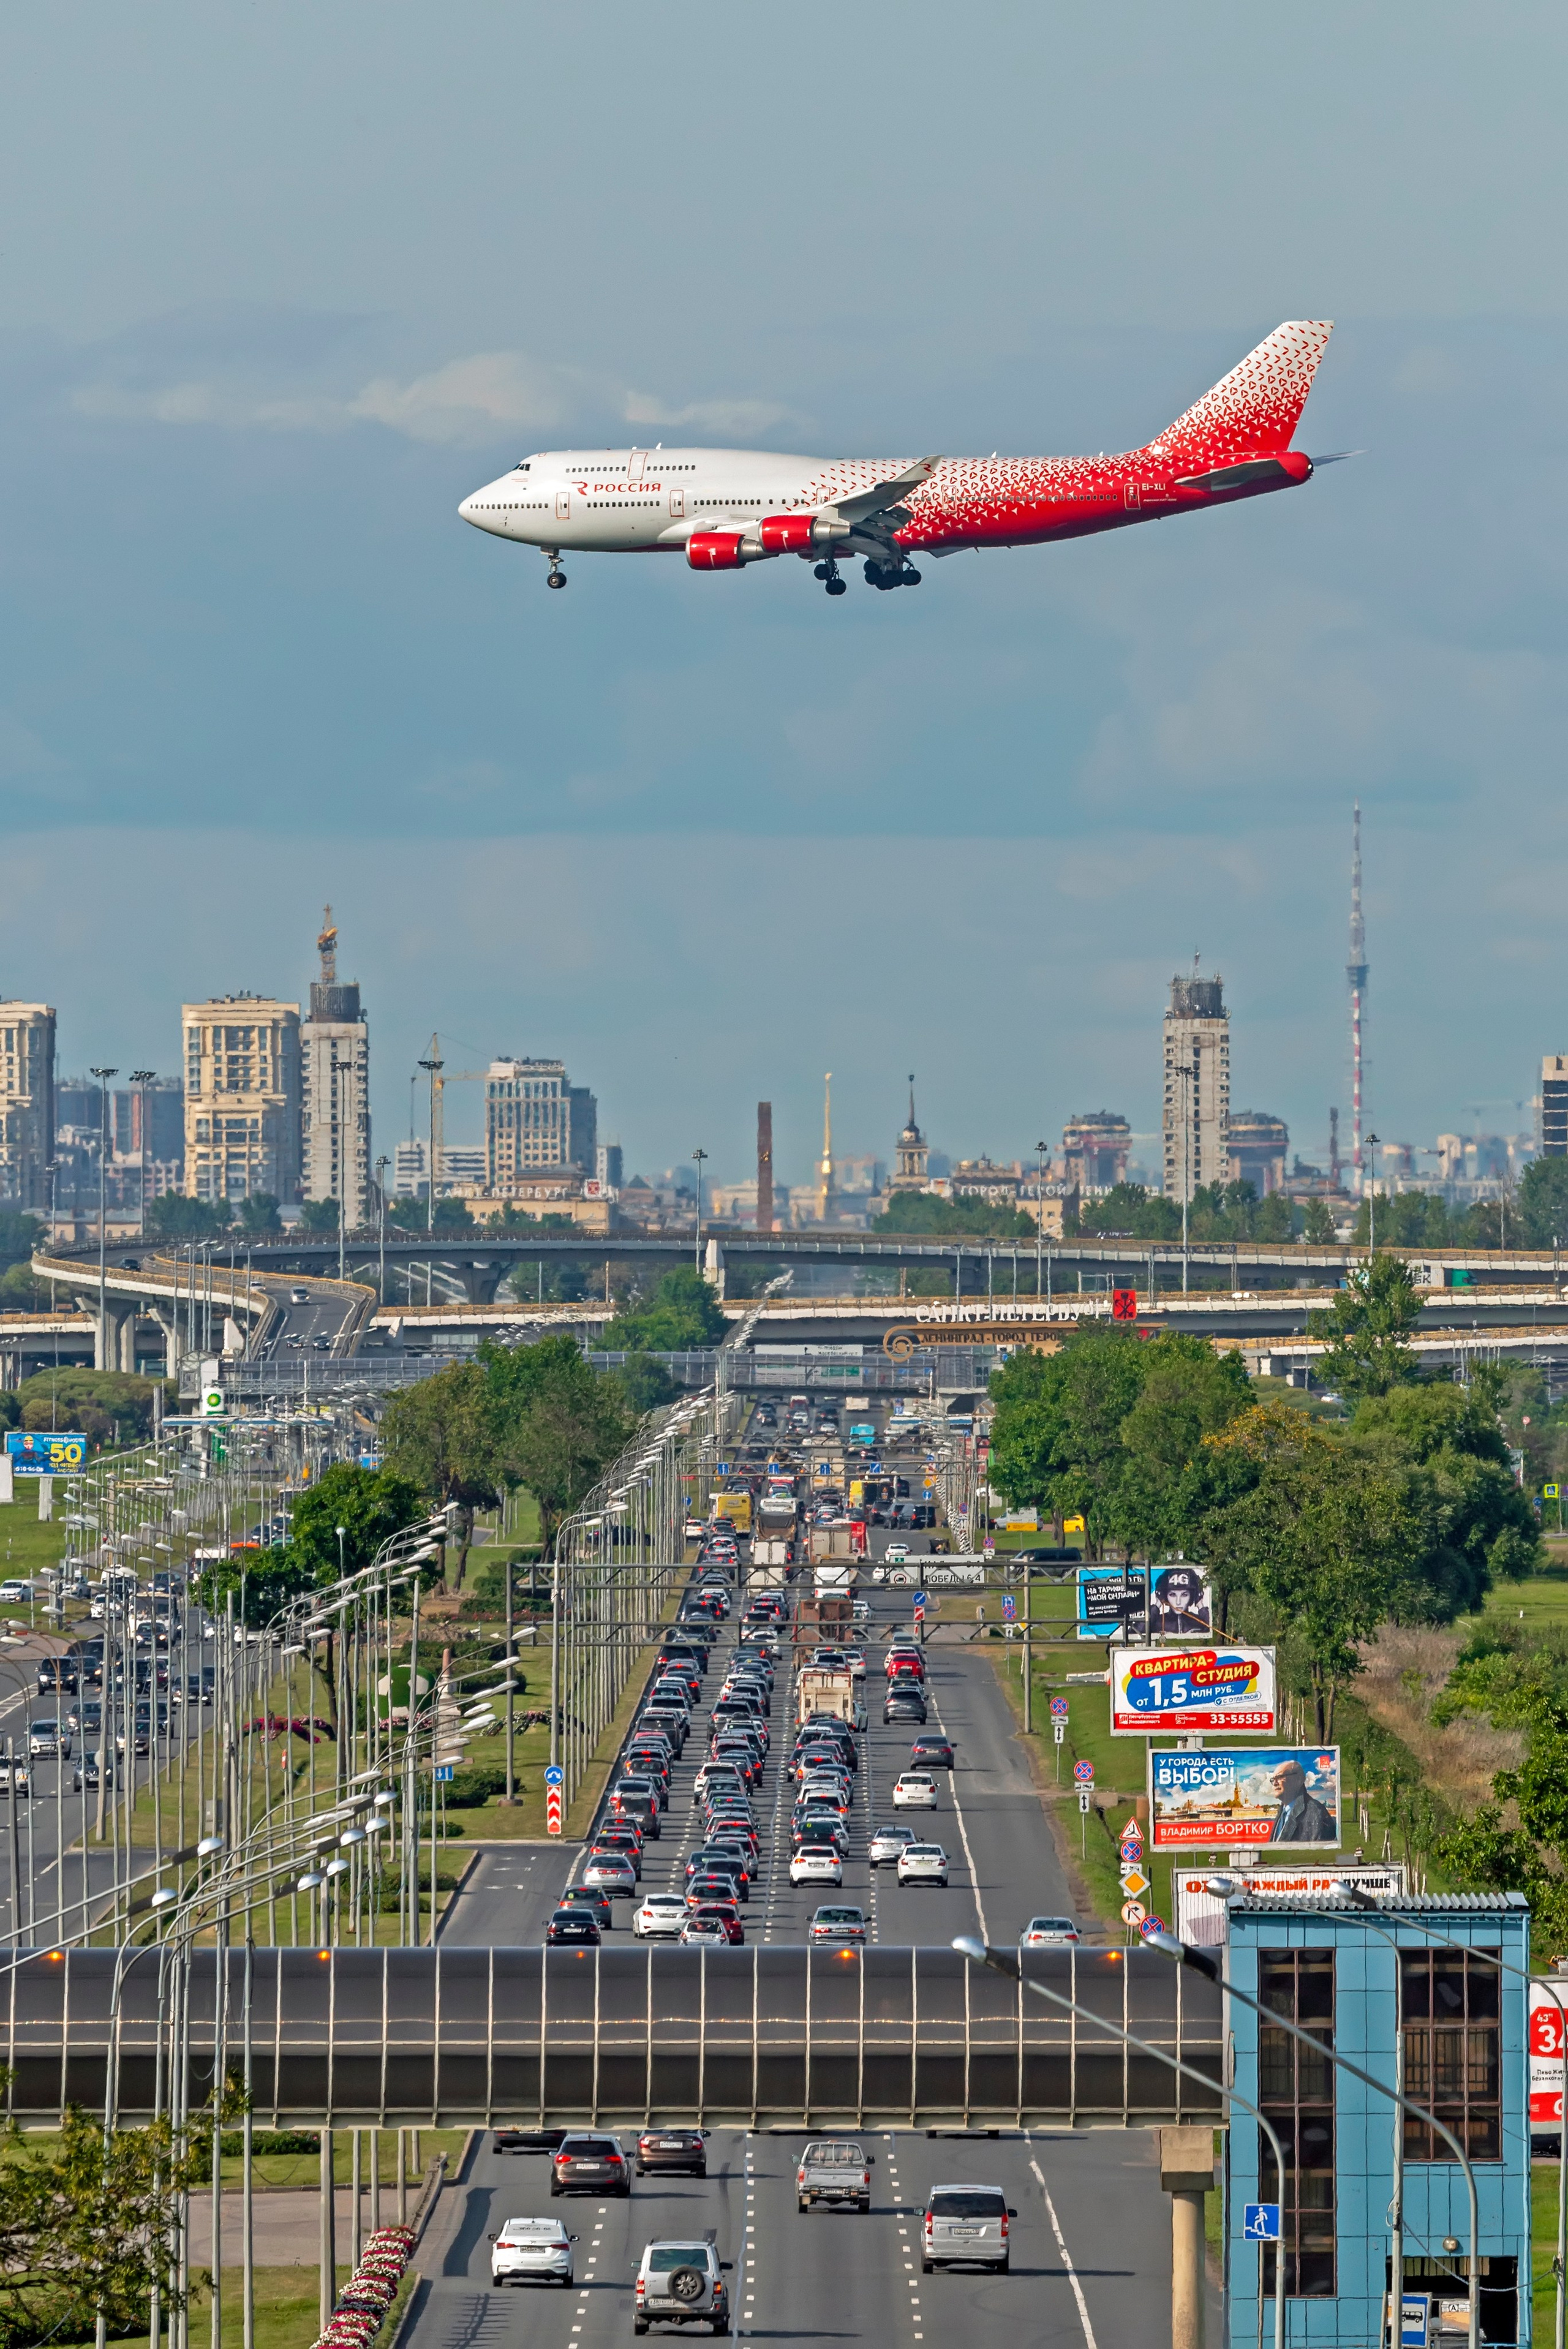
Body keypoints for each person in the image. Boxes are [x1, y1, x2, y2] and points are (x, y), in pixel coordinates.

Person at [1265, 1757, 1336, 1844]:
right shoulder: (1283, 1812)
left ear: (1298, 1780)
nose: (1275, 1783)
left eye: (1280, 1777)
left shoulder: (1315, 1812)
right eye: (1273, 1780)